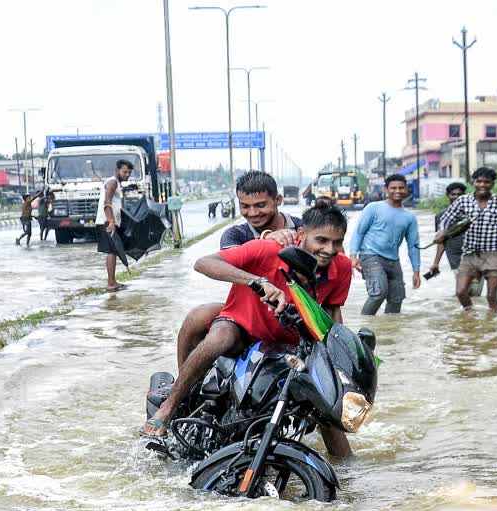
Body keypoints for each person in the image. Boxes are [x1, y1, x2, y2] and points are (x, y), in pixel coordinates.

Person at [143, 200, 354, 457]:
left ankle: (348, 473)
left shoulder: (342, 266)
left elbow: (332, 311)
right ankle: (169, 407)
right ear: (301, 236)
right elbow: (204, 263)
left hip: (290, 339)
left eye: (336, 242)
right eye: (321, 240)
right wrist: (256, 281)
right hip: (241, 326)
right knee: (218, 339)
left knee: (322, 398)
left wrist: (338, 354)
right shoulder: (267, 249)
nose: (328, 249)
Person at [177, 171, 299, 368]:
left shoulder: (302, 228)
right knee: (196, 317)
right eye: (245, 206)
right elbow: (225, 263)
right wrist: (265, 242)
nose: (252, 213)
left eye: (260, 205)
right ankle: (182, 382)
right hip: (247, 312)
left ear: (278, 200)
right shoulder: (235, 234)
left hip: (293, 312)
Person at [434, 167, 497, 311]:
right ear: (473, 182)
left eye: (486, 182)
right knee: (461, 292)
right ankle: (470, 317)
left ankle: (492, 325)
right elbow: (446, 218)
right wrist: (441, 231)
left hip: (493, 255)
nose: (482, 185)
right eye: (478, 181)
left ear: (492, 184)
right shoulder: (463, 200)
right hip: (469, 255)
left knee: (491, 295)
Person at [350, 174, 421, 315]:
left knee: (397, 298)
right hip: (370, 256)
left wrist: (416, 271)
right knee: (378, 293)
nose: (398, 191)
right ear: (386, 189)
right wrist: (353, 255)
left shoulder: (410, 217)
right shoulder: (373, 208)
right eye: (393, 188)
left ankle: (389, 331)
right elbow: (359, 232)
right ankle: (364, 328)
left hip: (393, 260)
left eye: (401, 187)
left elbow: (413, 245)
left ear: (406, 189)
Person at [430, 181, 482, 297]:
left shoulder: (475, 213)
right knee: (462, 292)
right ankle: (464, 313)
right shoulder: (441, 216)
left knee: (475, 293)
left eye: (459, 194)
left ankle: (470, 314)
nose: (456, 197)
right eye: (453, 194)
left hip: (476, 258)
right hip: (455, 259)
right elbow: (441, 241)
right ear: (448, 195)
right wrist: (436, 263)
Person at [96, 160, 133, 292]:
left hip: (111, 222)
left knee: (114, 251)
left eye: (129, 172)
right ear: (117, 170)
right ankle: (111, 283)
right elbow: (107, 202)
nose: (127, 174)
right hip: (107, 222)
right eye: (124, 171)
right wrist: (111, 221)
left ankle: (113, 281)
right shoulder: (112, 182)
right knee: (111, 251)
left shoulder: (117, 184)